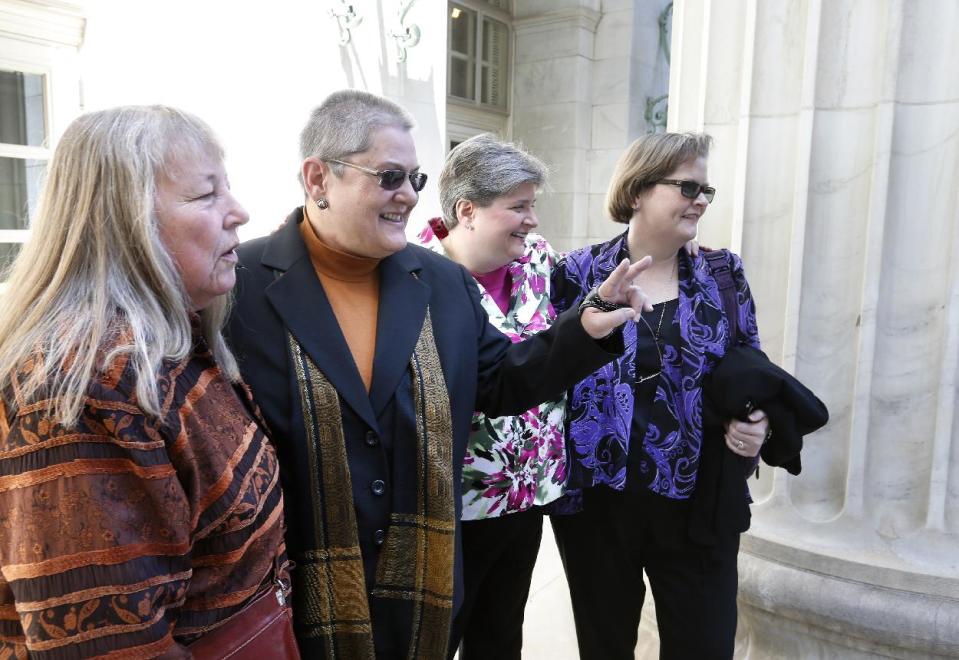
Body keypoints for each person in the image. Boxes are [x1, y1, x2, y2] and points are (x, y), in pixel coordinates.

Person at [226, 90, 653, 660]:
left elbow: (502, 381)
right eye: (388, 176)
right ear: (318, 178)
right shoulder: (239, 286)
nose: (407, 195)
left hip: (420, 590)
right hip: (292, 599)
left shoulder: (441, 283)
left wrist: (585, 330)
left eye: (415, 179)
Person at [0, 106, 288, 658]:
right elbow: (108, 647)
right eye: (207, 195)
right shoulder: (81, 389)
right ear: (125, 219)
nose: (240, 213)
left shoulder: (165, 343)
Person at [549, 132, 769, 659]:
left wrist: (758, 422)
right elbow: (544, 369)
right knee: (604, 646)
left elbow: (752, 365)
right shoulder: (575, 272)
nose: (701, 199)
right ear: (638, 190)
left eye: (706, 190)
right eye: (688, 186)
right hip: (598, 503)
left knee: (704, 645)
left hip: (699, 500)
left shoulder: (723, 273)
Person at [415, 134, 562, 659]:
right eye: (518, 207)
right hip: (451, 502)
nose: (532, 220)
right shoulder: (415, 274)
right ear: (468, 210)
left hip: (526, 493)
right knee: (437, 638)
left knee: (501, 636)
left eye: (533, 205)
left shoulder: (539, 262)